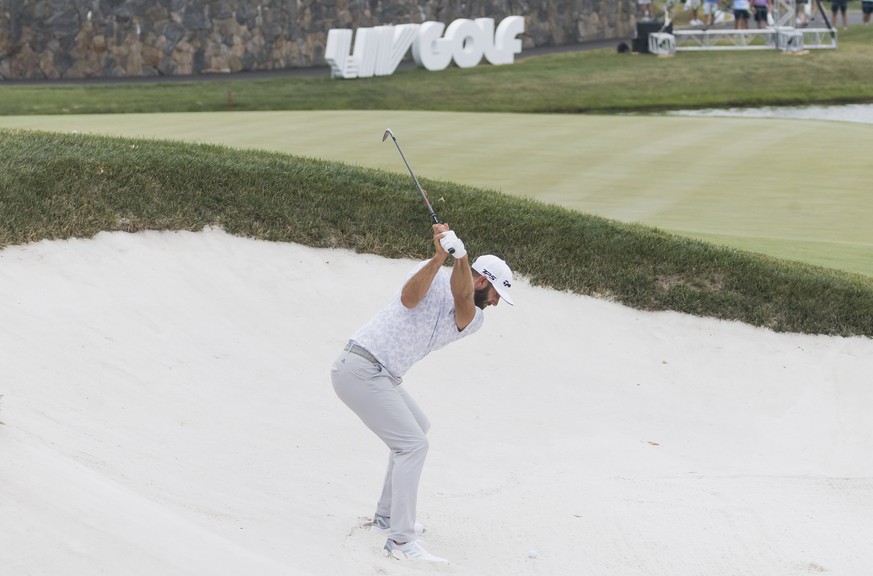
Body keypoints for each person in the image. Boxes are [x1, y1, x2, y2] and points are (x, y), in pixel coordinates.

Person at [331, 223, 514, 563]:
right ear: (483, 281)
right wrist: (440, 256)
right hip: (360, 368)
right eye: (496, 294)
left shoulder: (474, 318)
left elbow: (462, 298)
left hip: (382, 375)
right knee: (413, 444)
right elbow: (409, 298)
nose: (496, 303)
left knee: (418, 427)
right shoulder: (428, 274)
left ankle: (385, 520)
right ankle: (400, 542)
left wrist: (461, 257)